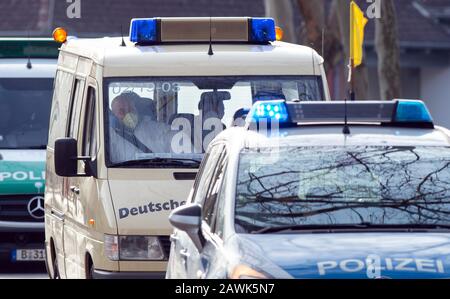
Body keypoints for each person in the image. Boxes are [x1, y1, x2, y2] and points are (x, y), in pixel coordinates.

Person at [109, 92, 172, 162]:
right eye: (121, 111)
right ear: (114, 115)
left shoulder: (159, 129)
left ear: (136, 109)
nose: (127, 113)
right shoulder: (110, 138)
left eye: (130, 109)